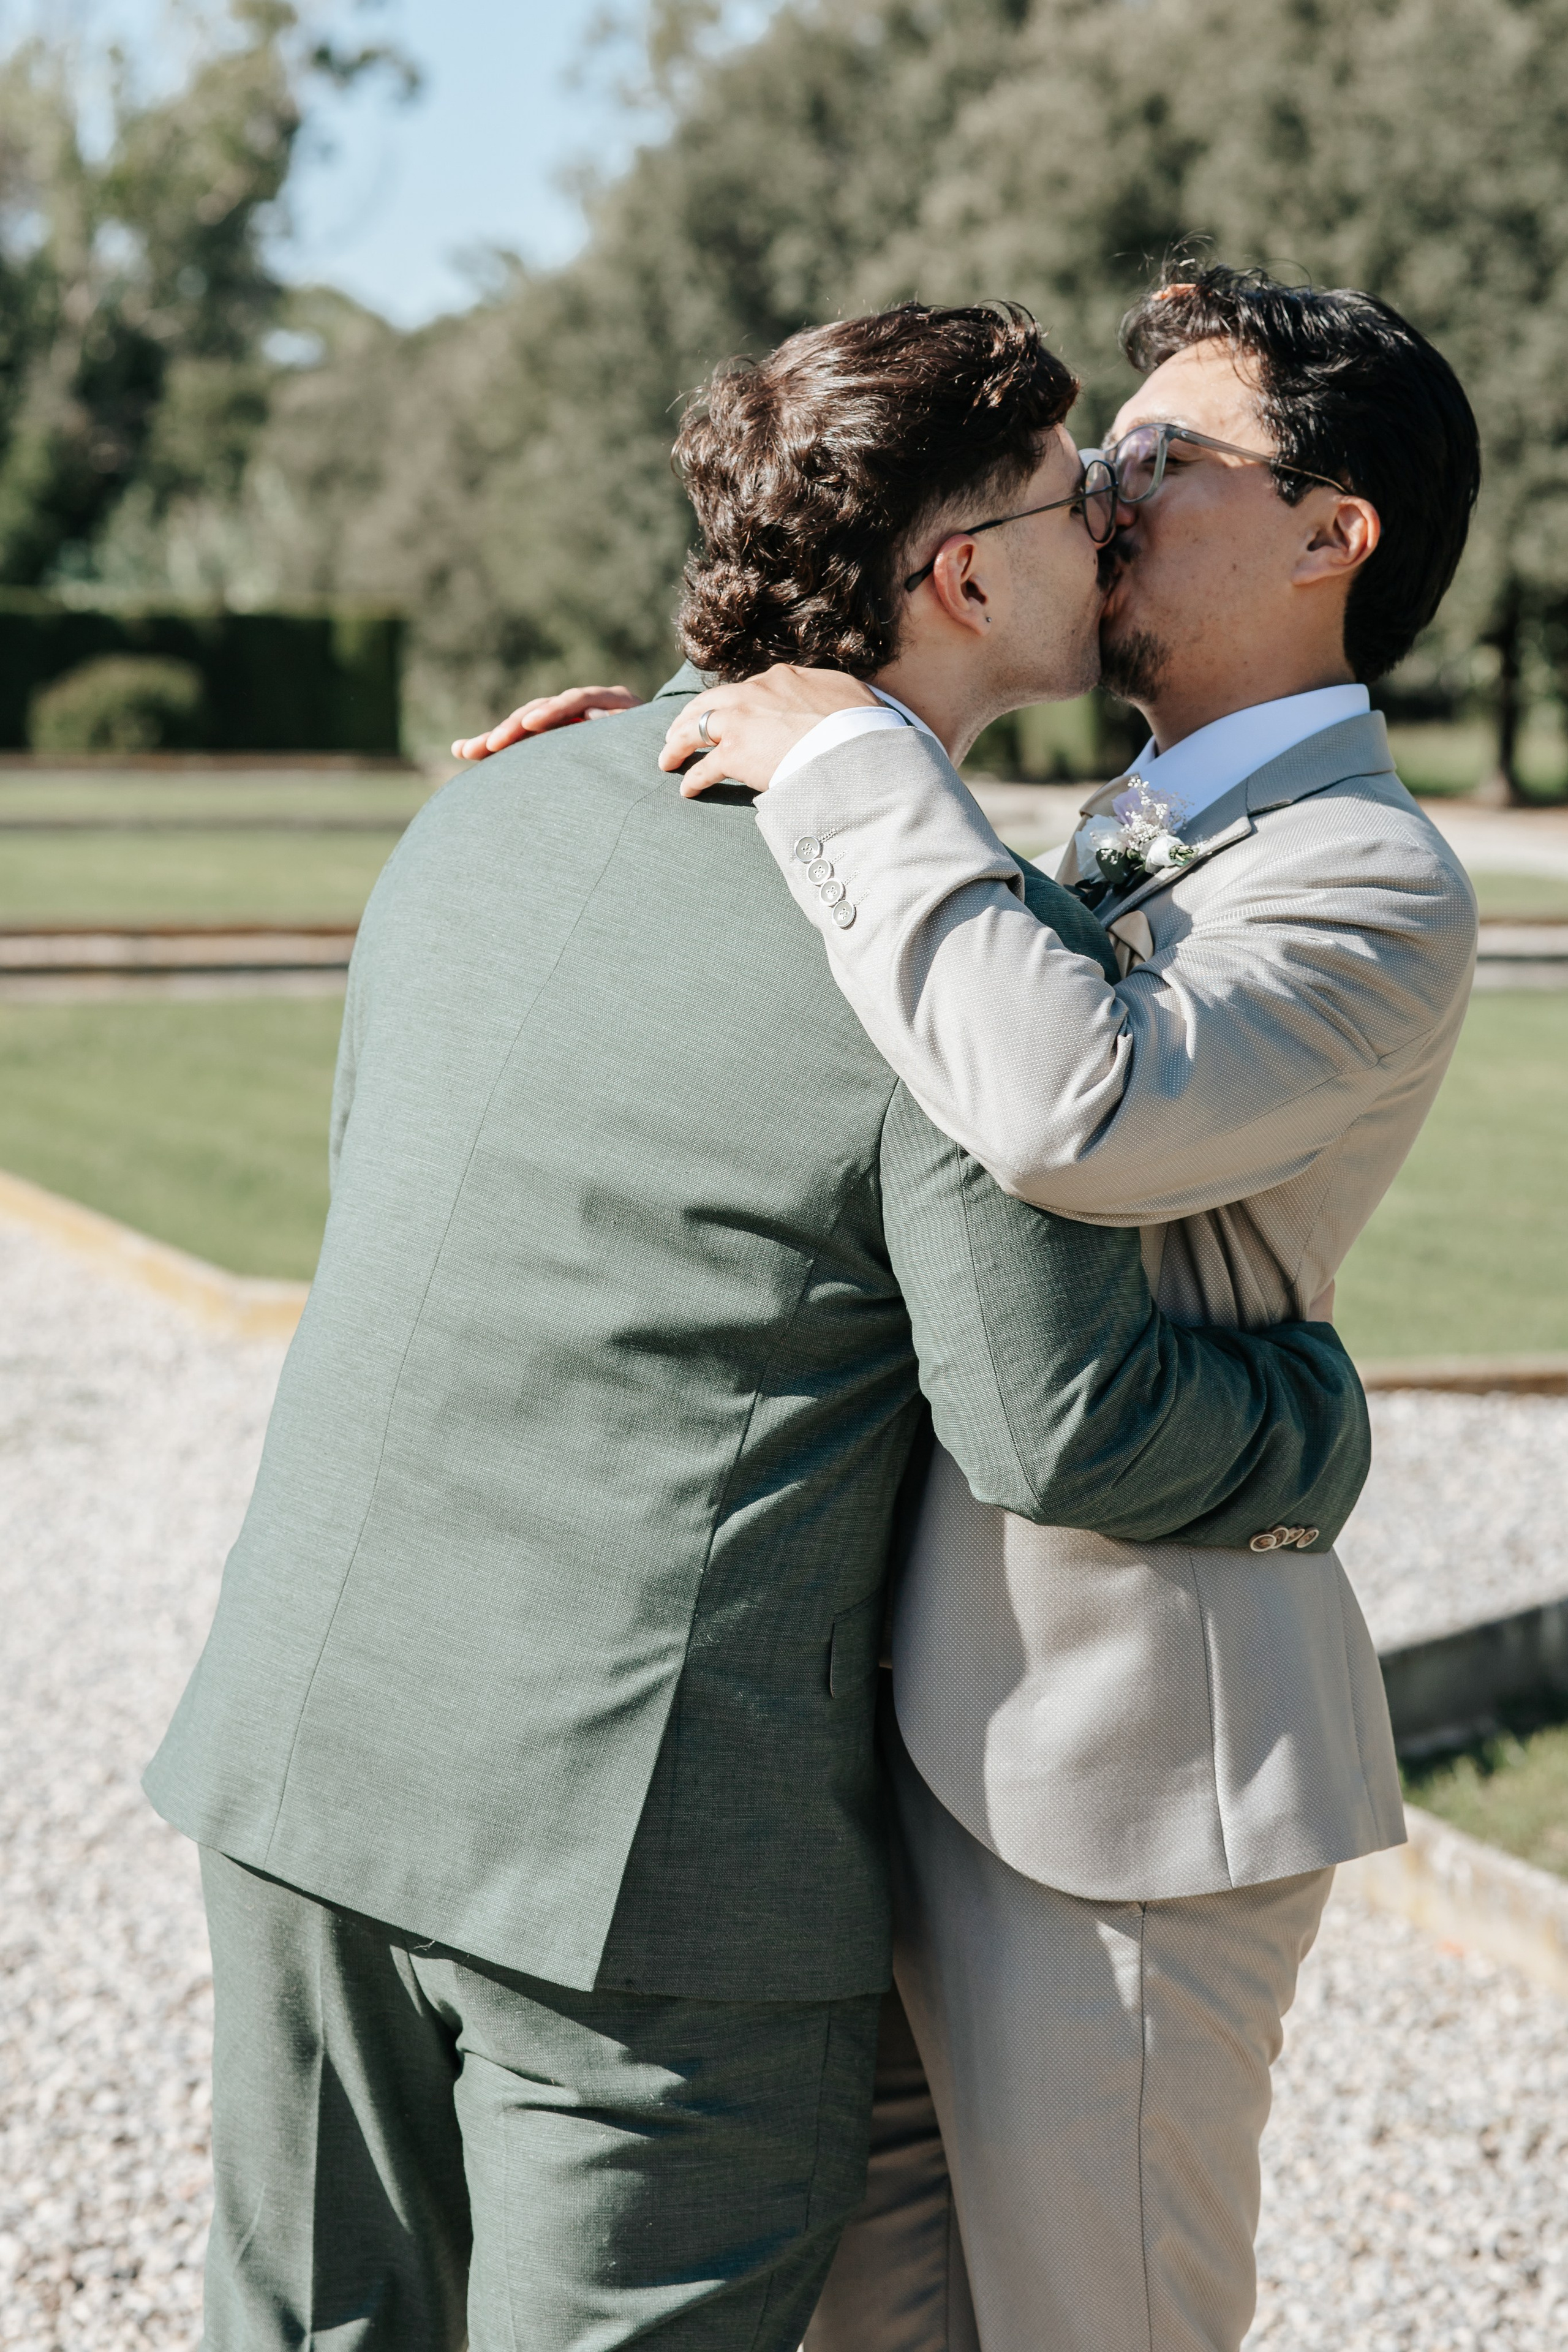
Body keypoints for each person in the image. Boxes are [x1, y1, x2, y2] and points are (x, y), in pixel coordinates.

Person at [141, 301, 1366, 2352]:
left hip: (298, 1764)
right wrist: (1311, 1426)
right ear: (968, 575)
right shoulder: (948, 958)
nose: (1120, 530)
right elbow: (1057, 1426)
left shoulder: (489, 803)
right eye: (1085, 499)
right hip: (641, 1873)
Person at [461, 269, 1481, 2351]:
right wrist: (673, 748)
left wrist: (842, 766)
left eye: (1158, 460)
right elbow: (926, 968)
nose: (1097, 495)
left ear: (1331, 534)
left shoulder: (1370, 881)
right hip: (901, 1740)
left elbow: (1065, 1105)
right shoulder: (1121, 822)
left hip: (1125, 1771)